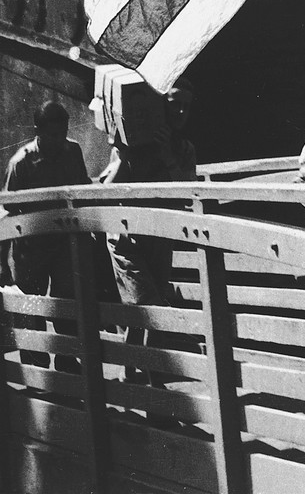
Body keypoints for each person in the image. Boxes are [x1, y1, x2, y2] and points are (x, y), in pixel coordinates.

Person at [100, 78, 197, 382]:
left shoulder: (184, 149)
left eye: (186, 107)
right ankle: (152, 379)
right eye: (174, 104)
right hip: (126, 236)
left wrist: (168, 154)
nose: (180, 111)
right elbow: (106, 188)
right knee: (148, 305)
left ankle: (132, 374)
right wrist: (123, 153)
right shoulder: (132, 143)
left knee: (142, 308)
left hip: (158, 235)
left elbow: (187, 192)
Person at [0, 100, 90, 371]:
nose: (58, 140)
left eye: (62, 132)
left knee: (67, 301)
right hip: (31, 246)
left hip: (64, 244)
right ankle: (36, 369)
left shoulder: (72, 151)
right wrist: (4, 260)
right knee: (32, 307)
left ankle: (66, 359)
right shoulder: (22, 162)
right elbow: (9, 209)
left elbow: (83, 190)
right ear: (37, 130)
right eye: (52, 134)